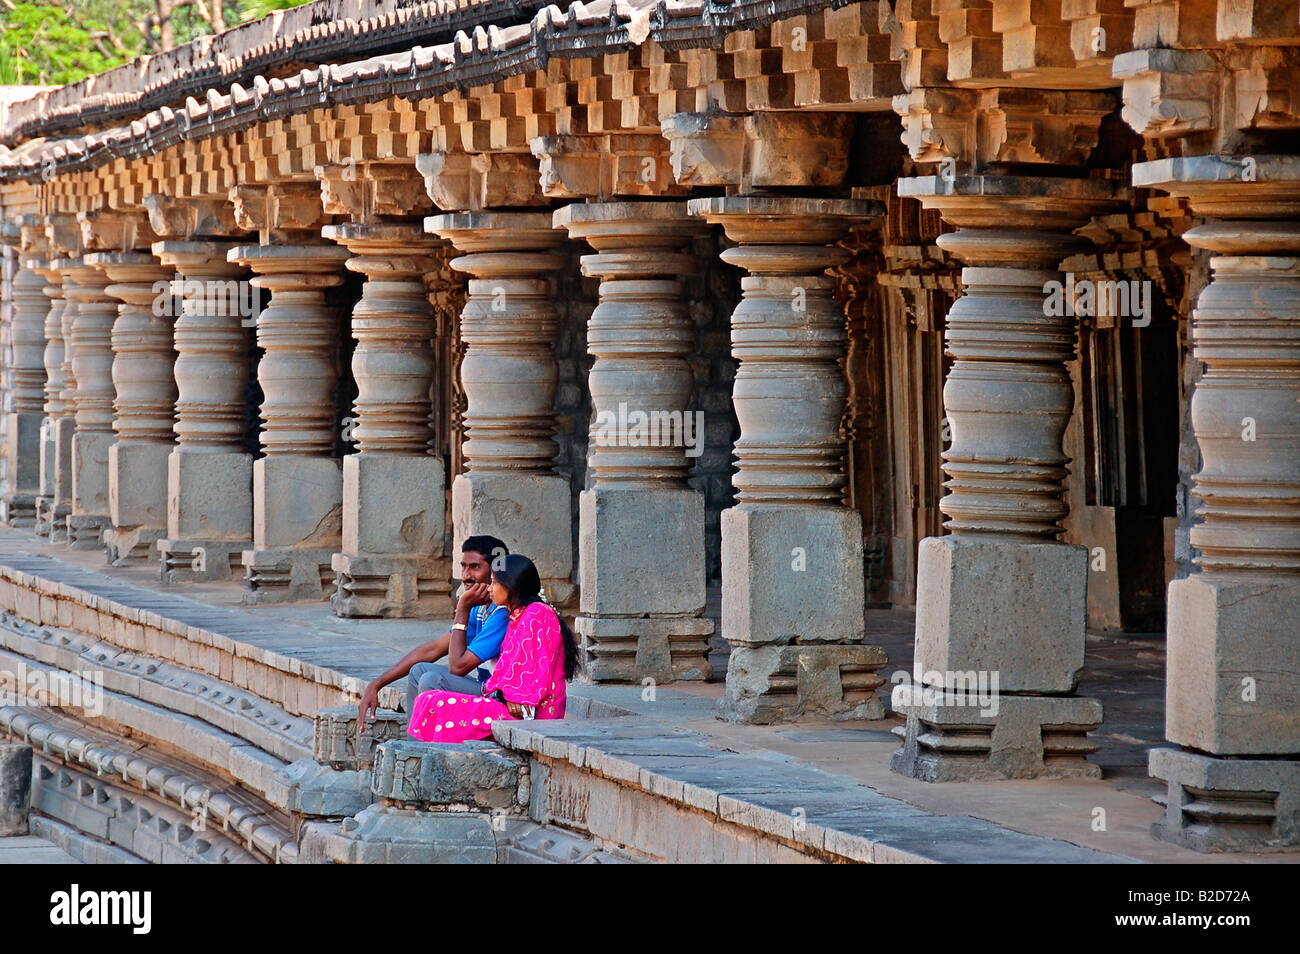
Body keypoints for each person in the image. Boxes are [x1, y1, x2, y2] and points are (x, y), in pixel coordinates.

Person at [408, 554, 577, 743]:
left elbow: (535, 666)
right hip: (507, 702)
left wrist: (516, 696)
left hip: (531, 713)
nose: (489, 589)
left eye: (494, 583)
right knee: (428, 699)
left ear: (510, 585)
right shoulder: (516, 616)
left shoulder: (536, 613)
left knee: (435, 703)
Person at [356, 535, 509, 729]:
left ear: (497, 571)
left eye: (475, 567)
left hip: (502, 700)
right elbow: (433, 649)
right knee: (418, 670)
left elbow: (458, 667)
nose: (465, 575)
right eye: (463, 566)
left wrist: (461, 609)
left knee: (432, 679)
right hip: (484, 689)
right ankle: (414, 748)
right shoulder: (479, 607)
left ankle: (430, 750)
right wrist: (377, 684)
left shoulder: (502, 613)